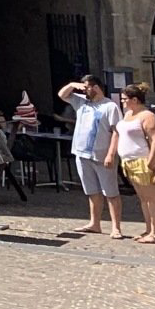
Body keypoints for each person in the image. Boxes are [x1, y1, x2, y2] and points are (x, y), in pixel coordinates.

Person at [59, 74, 124, 238]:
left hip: (101, 154)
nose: (84, 90)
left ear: (96, 88)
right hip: (82, 153)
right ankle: (95, 223)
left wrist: (111, 153)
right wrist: (73, 83)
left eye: (87, 87)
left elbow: (116, 131)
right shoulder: (82, 102)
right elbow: (62, 95)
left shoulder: (110, 106)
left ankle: (116, 227)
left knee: (110, 192)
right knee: (92, 191)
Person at [111, 83, 155, 245]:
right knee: (143, 198)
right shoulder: (128, 114)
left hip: (142, 161)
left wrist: (150, 162)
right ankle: (149, 229)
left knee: (152, 198)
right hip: (129, 162)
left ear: (134, 100)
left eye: (124, 99)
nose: (122, 102)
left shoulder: (147, 116)